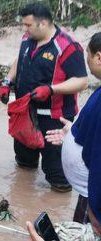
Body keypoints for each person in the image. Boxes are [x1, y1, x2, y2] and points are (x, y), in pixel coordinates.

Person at [0, 3, 88, 192]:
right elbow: (20, 58)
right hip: (25, 112)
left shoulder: (67, 46)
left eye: (28, 25)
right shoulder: (28, 38)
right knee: (24, 163)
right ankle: (23, 201)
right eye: (23, 25)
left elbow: (81, 81)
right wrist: (7, 81)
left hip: (54, 117)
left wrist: (51, 89)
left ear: (44, 23)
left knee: (57, 174)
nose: (24, 29)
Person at [44, 33, 101, 223]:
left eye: (88, 54)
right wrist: (73, 133)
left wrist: (96, 210)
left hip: (93, 199)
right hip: (89, 193)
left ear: (99, 57)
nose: (86, 59)